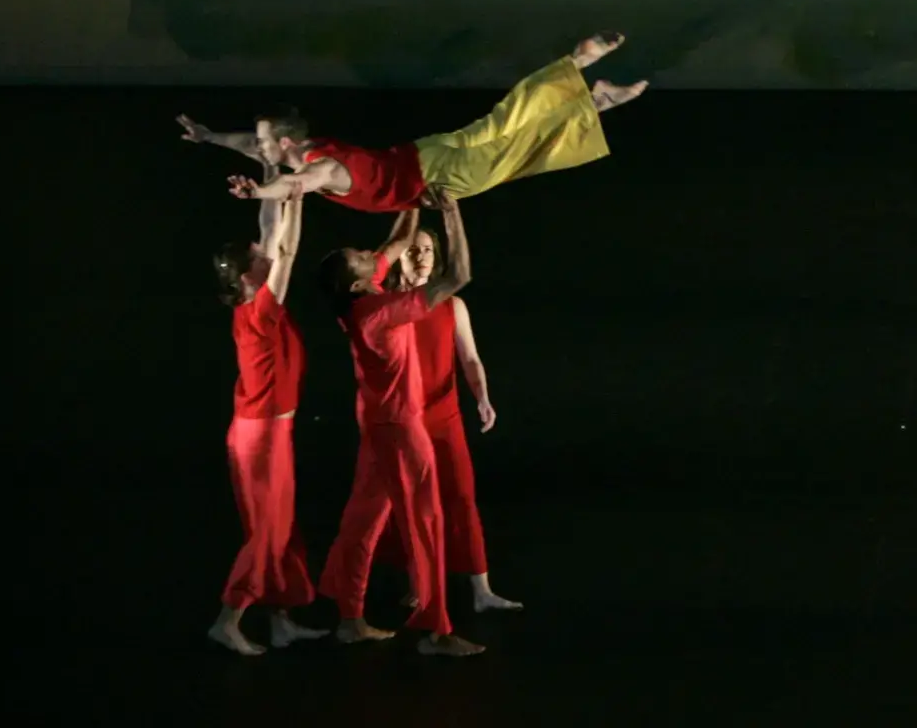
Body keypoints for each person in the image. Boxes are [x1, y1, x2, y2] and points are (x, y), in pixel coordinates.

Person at [177, 33, 646, 212]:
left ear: (284, 143)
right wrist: (211, 137)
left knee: (515, 150)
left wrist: (261, 192)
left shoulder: (320, 168)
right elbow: (253, 147)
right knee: (504, 124)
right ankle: (580, 76)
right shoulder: (308, 148)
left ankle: (594, 96)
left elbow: (295, 186)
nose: (260, 151)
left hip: (436, 175)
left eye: (265, 145)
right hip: (427, 151)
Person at [315, 194, 484, 657]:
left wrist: (411, 195)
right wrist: (450, 213)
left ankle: (350, 618)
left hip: (376, 425)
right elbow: (459, 277)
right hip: (401, 430)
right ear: (360, 282)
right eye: (363, 258)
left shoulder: (361, 297)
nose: (373, 255)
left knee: (362, 522)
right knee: (427, 521)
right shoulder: (377, 312)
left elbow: (397, 241)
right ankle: (436, 630)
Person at [206, 177, 327, 655]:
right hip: (261, 438)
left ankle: (281, 620)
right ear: (247, 276)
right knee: (267, 531)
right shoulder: (258, 311)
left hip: (270, 433)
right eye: (259, 257)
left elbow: (274, 236)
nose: (266, 253)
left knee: (283, 527)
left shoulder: (258, 305)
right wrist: (291, 200)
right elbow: (288, 252)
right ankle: (229, 617)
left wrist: (287, 193)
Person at [380, 228, 521, 614]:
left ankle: (482, 590)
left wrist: (483, 398)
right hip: (404, 420)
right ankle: (418, 584)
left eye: (428, 250)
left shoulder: (452, 305)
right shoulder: (387, 304)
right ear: (398, 256)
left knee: (461, 498)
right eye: (413, 250)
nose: (422, 256)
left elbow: (470, 358)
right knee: (408, 505)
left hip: (445, 417)